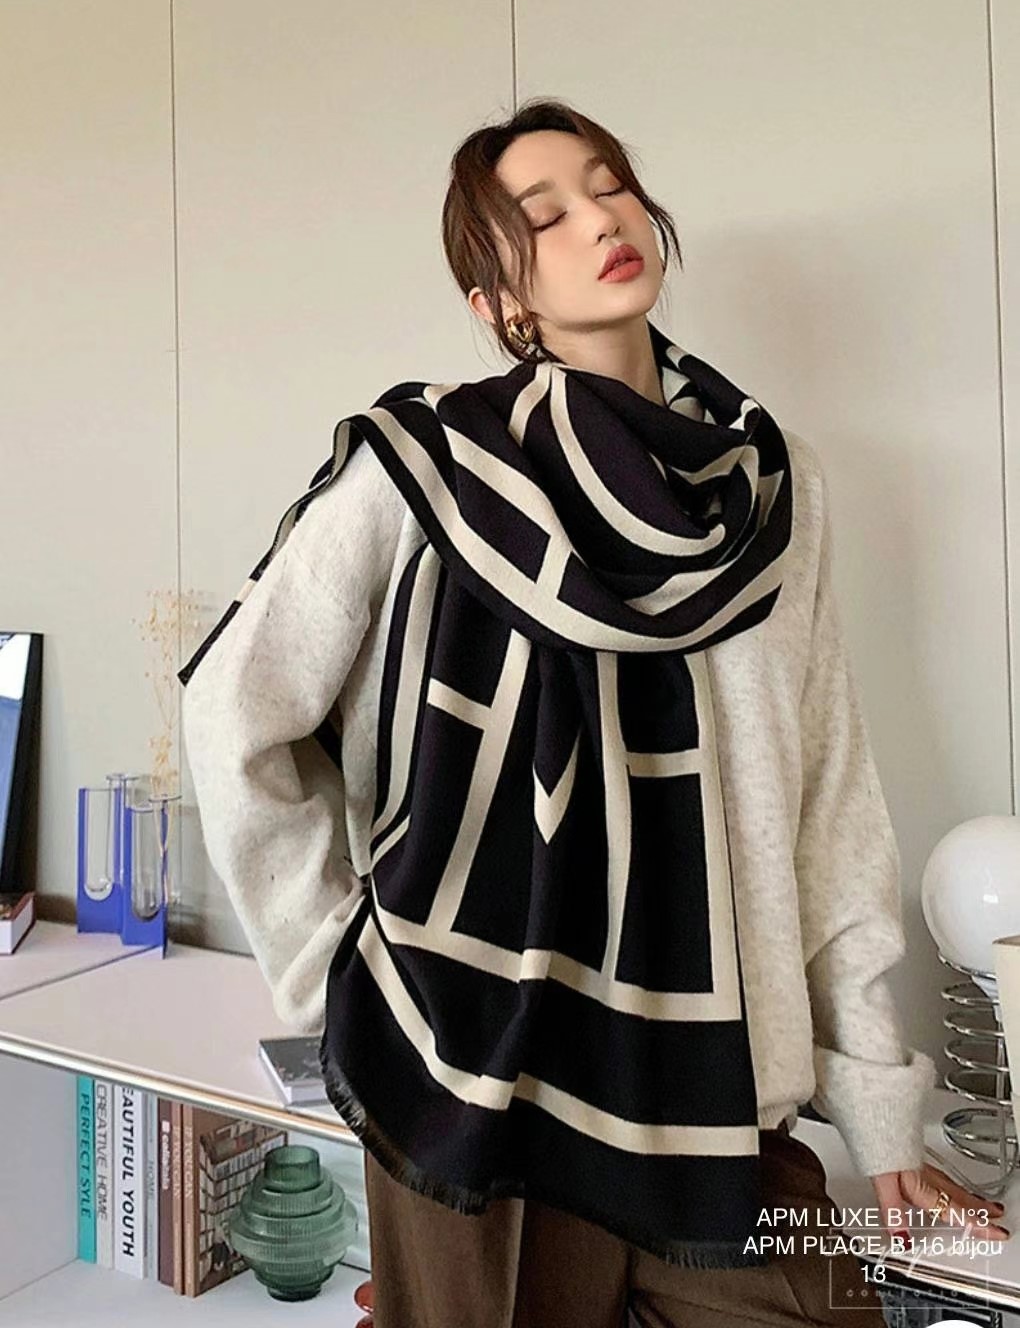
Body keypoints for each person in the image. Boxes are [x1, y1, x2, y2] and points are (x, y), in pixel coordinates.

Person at [178, 99, 1008, 1327]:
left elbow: (826, 796)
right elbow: (234, 709)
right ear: (497, 302)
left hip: (719, 1103)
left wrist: (882, 1114)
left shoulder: (776, 490)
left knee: (827, 1308)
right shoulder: (430, 467)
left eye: (609, 183)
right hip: (479, 1091)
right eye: (544, 214)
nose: (599, 219)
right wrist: (334, 976)